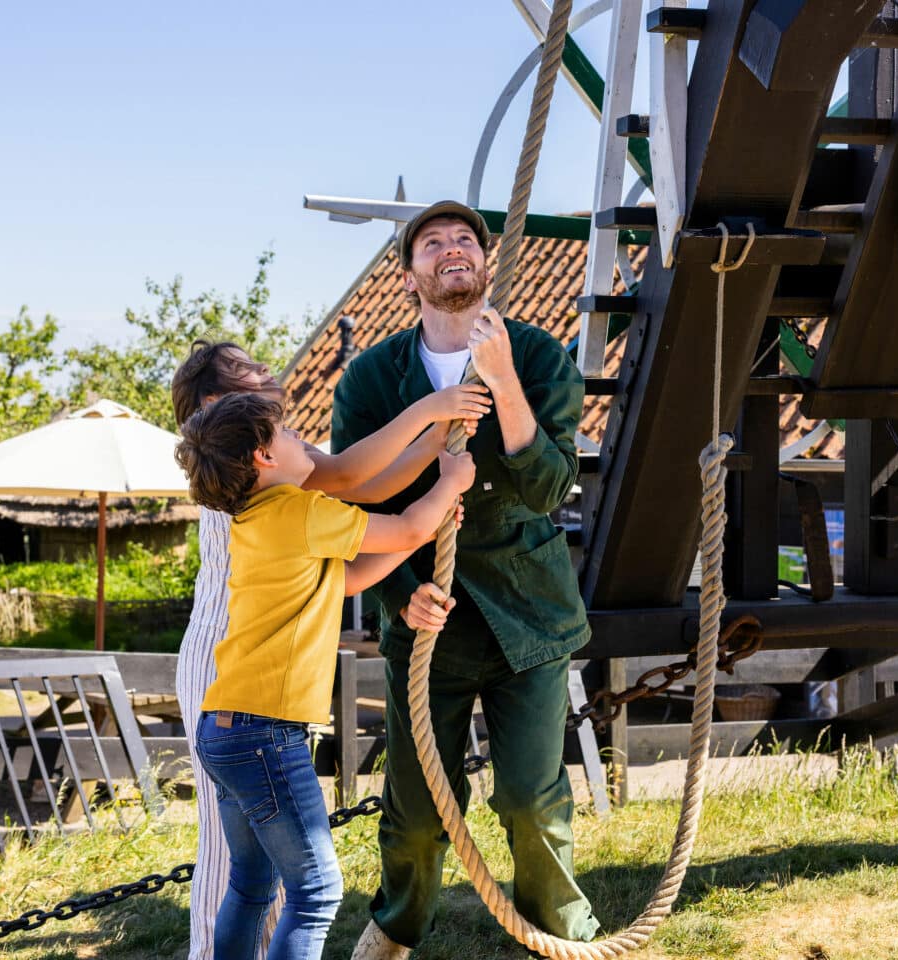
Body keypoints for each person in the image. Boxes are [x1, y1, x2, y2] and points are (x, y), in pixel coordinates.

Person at [330, 200, 601, 959]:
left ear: (485, 264)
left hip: (529, 615)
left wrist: (503, 380)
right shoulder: (369, 379)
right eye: (432, 243)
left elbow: (550, 489)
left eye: (465, 241)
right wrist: (396, 591)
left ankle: (560, 931)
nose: (452, 250)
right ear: (408, 273)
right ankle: (397, 927)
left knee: (528, 797)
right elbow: (354, 497)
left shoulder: (540, 356)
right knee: (417, 811)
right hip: (424, 616)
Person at [170, 339, 490, 960]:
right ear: (225, 414)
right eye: (251, 381)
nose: (271, 384)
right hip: (255, 701)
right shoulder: (289, 502)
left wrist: (434, 445)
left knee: (252, 879)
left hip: (230, 709)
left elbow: (338, 573)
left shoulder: (256, 496)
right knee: (313, 890)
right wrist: (445, 476)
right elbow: (354, 484)